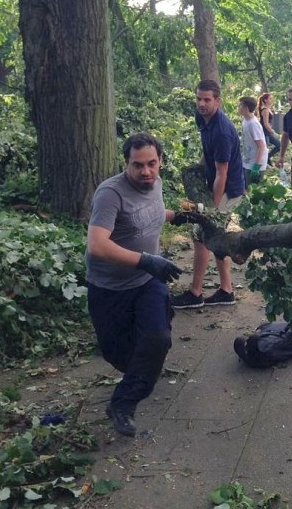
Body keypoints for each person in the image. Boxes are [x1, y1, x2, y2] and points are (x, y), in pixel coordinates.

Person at [85, 132, 204, 437]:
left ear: (160, 161)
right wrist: (147, 260)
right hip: (109, 288)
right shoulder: (110, 194)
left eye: (152, 163)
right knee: (120, 355)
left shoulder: (156, 184)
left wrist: (177, 216)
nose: (146, 171)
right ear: (127, 164)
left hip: (147, 281)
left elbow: (150, 213)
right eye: (138, 165)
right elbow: (97, 245)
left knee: (157, 338)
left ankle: (123, 404)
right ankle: (135, 376)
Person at [172, 80, 245, 309]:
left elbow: (221, 175)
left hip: (229, 190)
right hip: (217, 183)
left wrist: (210, 211)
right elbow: (208, 153)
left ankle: (195, 293)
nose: (201, 104)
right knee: (215, 238)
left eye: (207, 100)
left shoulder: (223, 131)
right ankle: (226, 291)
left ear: (217, 101)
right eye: (199, 99)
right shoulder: (201, 118)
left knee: (202, 235)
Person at [239, 96, 267, 187]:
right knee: (247, 189)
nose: (238, 108)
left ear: (246, 108)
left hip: (255, 163)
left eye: (240, 106)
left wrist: (256, 167)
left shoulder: (253, 124)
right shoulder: (245, 121)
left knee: (255, 192)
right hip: (247, 160)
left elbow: (261, 146)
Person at [257, 92, 280, 164]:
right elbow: (265, 124)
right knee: (264, 150)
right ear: (265, 100)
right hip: (265, 132)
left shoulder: (267, 109)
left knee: (279, 145)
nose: (272, 100)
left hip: (268, 132)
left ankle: (267, 158)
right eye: (270, 98)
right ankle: (259, 166)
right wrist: (273, 132)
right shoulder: (265, 110)